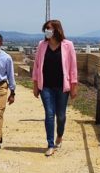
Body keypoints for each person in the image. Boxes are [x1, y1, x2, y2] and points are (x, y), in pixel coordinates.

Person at [32, 19, 78, 156]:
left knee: (61, 116)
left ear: (57, 30)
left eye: (49, 28)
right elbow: (36, 66)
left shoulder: (68, 45)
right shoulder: (42, 45)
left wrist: (74, 86)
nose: (47, 31)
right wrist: (35, 85)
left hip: (62, 87)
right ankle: (50, 144)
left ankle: (60, 135)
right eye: (46, 28)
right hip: (45, 86)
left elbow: (73, 68)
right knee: (49, 114)